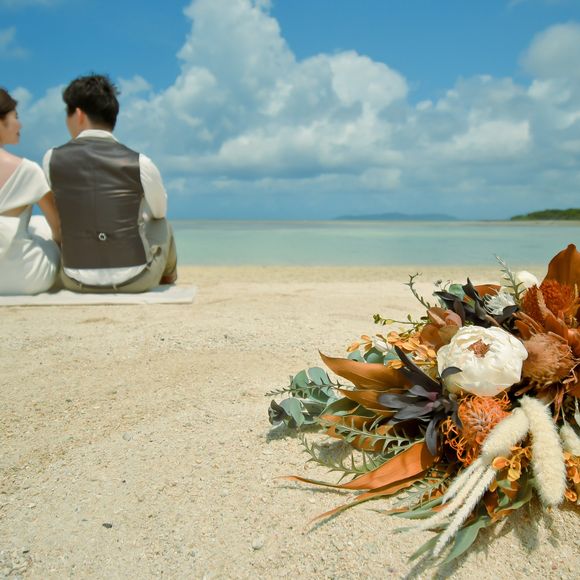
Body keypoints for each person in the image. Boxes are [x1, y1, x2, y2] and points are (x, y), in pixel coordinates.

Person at [43, 74, 177, 293]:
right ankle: (168, 280)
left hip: (74, 280)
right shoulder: (140, 162)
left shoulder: (52, 159)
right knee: (162, 224)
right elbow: (159, 212)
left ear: (79, 114)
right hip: (134, 280)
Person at [0, 88, 61, 295]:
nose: (20, 124)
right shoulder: (27, 170)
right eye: (15, 117)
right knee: (40, 224)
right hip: (23, 277)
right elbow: (59, 229)